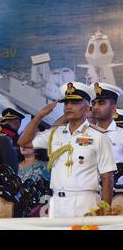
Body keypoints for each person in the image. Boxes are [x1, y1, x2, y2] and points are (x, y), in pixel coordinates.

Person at [18, 82, 116, 218]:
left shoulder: (98, 136)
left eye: (74, 102)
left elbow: (107, 177)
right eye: (66, 103)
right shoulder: (54, 133)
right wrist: (40, 115)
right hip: (57, 202)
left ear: (88, 109)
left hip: (85, 201)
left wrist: (105, 211)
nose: (69, 106)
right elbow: (23, 142)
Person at [90, 82, 123, 164]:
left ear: (113, 109)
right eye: (93, 103)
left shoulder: (121, 134)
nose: (95, 107)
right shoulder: (84, 133)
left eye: (101, 103)